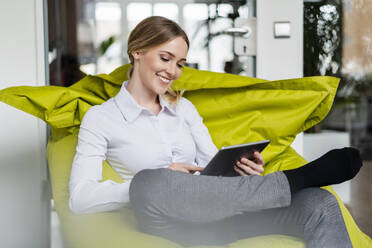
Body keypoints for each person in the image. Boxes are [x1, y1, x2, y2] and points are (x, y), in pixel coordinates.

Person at [69, 16, 363, 247]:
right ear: (137, 53)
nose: (173, 71)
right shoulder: (102, 118)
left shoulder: (183, 109)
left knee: (320, 203)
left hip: (224, 214)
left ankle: (287, 183)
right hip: (169, 219)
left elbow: (213, 166)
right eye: (165, 58)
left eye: (180, 63)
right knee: (149, 182)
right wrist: (160, 177)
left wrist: (243, 171)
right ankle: (297, 178)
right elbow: (80, 198)